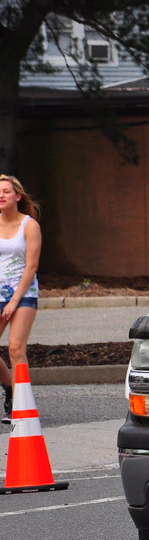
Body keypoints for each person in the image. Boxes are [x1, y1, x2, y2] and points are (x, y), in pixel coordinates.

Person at [0, 174, 41, 423]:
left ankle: (21, 407)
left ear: (17, 196)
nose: (1, 195)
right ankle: (10, 388)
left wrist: (14, 300)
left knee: (16, 348)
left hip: (23, 294)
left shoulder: (29, 225)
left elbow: (31, 266)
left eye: (5, 191)